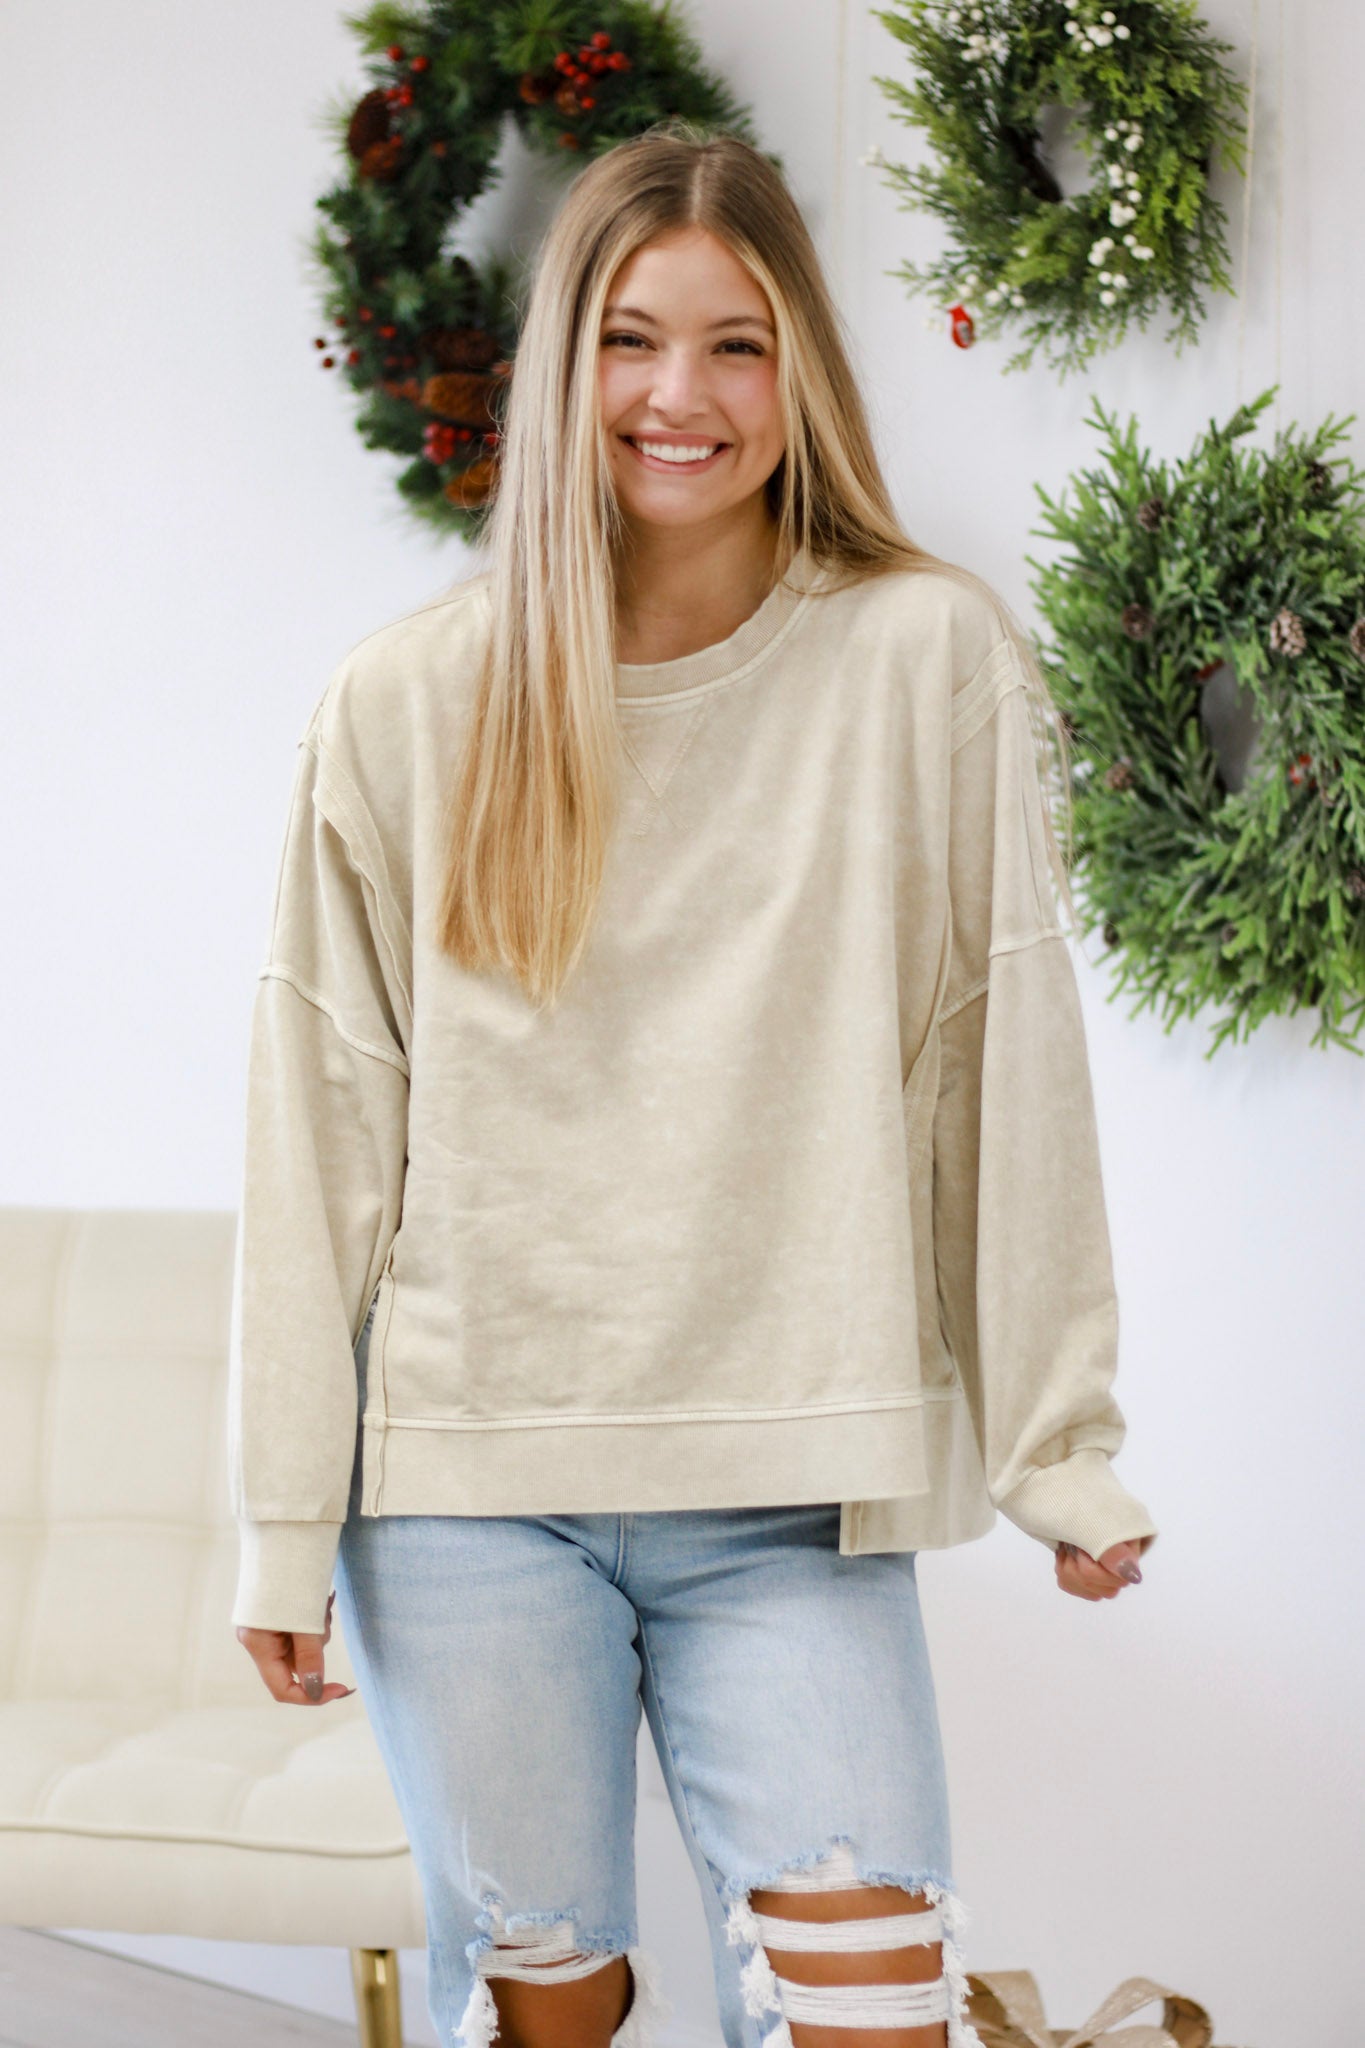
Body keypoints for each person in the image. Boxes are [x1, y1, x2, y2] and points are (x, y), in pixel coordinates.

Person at [229, 120, 1157, 2048]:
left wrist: (1052, 1442)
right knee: (544, 2017)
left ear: (800, 367)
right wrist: (283, 1519)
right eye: (631, 341)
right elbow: (321, 1131)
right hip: (467, 1487)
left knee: (868, 2013)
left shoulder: (926, 658)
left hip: (788, 1489)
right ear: (561, 367)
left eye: (738, 343)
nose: (682, 396)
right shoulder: (404, 704)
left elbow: (1001, 1060)